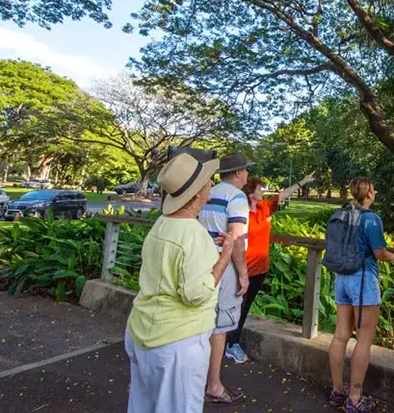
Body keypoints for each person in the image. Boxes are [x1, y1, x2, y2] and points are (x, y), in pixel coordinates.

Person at [125, 153, 234, 413]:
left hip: (142, 331)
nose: (211, 185)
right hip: (178, 344)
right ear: (197, 193)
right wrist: (225, 256)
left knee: (142, 406)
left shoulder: (162, 224)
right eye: (208, 182)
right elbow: (196, 294)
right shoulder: (193, 235)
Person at [328, 177, 394, 413]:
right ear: (369, 193)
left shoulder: (341, 213)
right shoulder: (371, 219)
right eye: (374, 189)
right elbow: (380, 254)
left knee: (341, 336)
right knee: (363, 340)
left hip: (342, 278)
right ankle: (354, 398)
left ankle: (337, 391)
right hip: (363, 282)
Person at [225, 171, 316, 363]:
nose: (263, 192)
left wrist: (302, 182)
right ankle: (230, 344)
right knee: (237, 307)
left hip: (260, 268)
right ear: (251, 194)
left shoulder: (265, 207)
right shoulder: (240, 213)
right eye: (260, 189)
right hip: (243, 268)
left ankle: (230, 342)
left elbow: (282, 194)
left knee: (245, 307)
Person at [199, 152, 254, 406]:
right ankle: (213, 385)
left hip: (200, 261)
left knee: (200, 322)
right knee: (220, 328)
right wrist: (243, 273)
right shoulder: (236, 197)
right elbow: (237, 241)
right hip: (224, 264)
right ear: (239, 173)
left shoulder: (207, 191)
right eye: (246, 171)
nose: (248, 176)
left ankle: (196, 379)